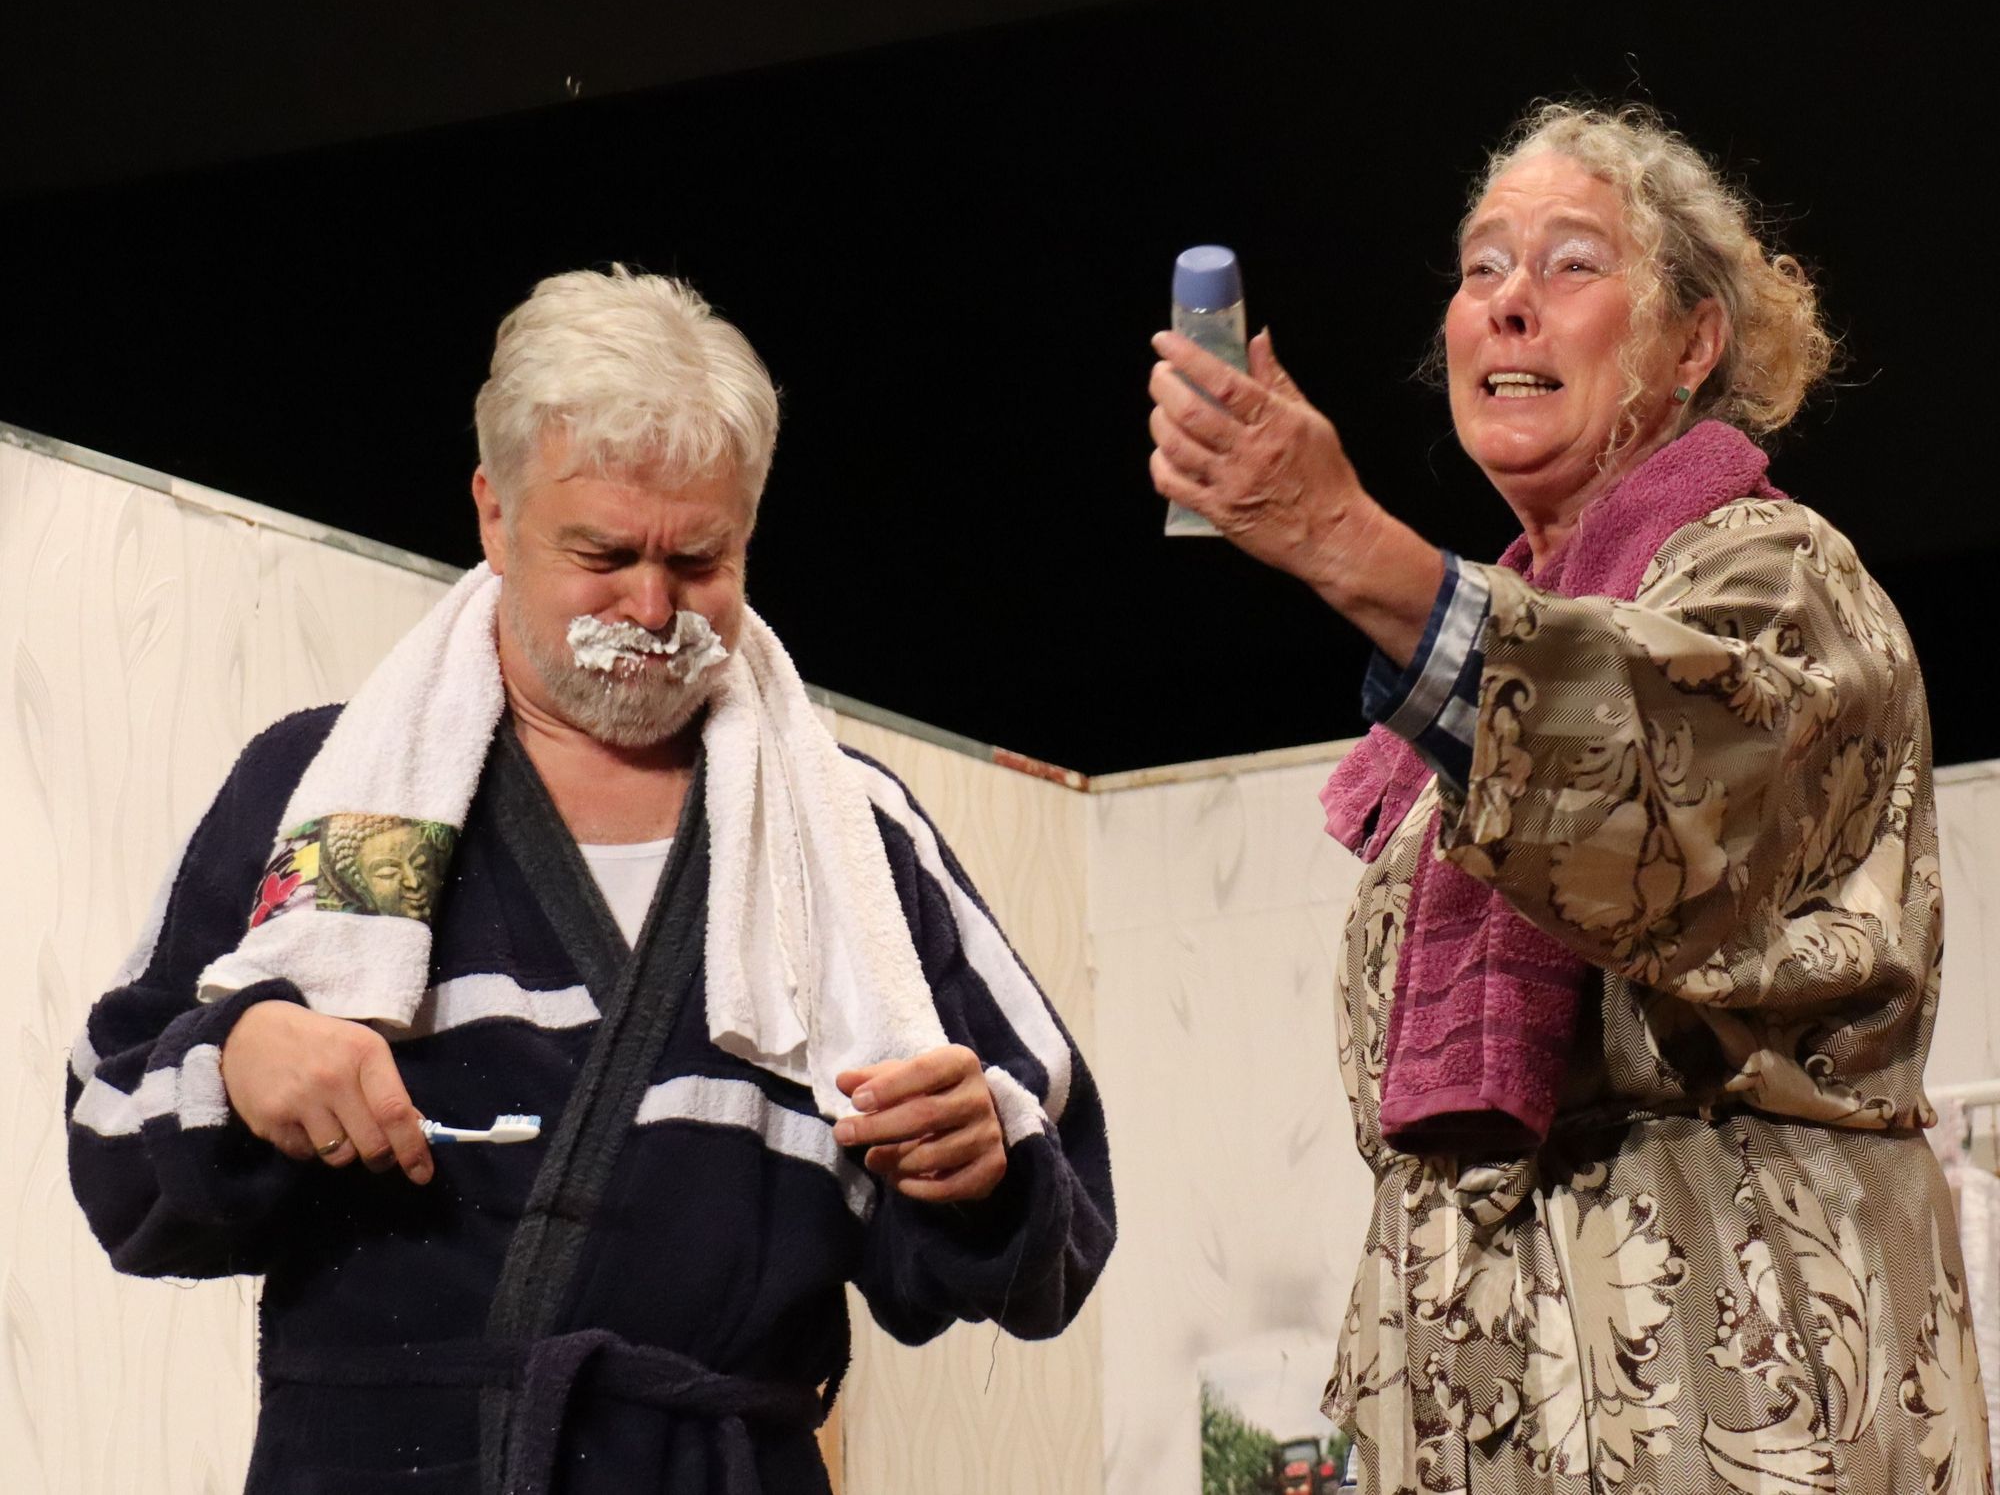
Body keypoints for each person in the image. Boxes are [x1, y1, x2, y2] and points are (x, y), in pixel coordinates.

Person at [68, 265, 1115, 1495]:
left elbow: (1056, 1211)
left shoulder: (852, 835)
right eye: (603, 553)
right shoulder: (316, 793)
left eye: (700, 559)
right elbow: (108, 1138)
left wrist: (980, 1167)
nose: (653, 606)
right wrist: (236, 1059)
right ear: (494, 516)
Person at [1147, 102, 1986, 1492]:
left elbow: (1645, 792)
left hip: (1728, 1388)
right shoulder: (1486, 658)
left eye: (1571, 263)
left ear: (1692, 342)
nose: (1509, 302)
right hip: (1488, 1404)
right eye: (1481, 267)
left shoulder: (1777, 581)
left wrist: (1343, 538)